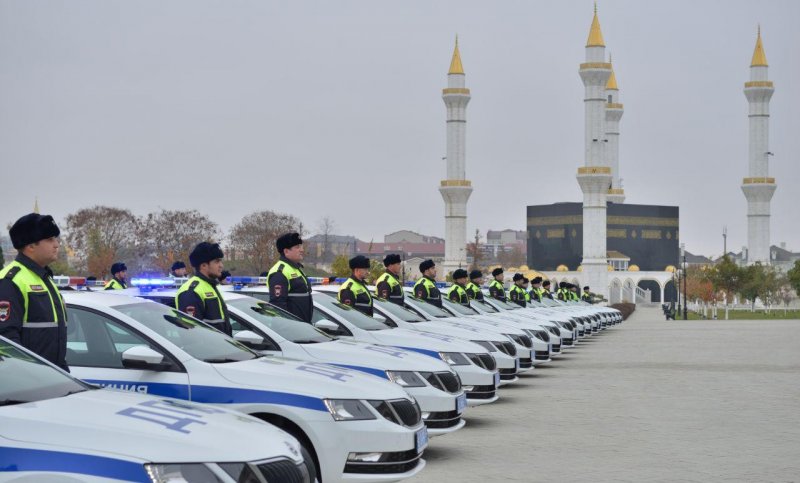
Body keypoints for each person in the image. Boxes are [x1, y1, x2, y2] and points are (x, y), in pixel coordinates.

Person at [0, 213, 69, 370]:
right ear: (30, 246)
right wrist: (30, 377)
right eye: (50, 239)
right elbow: (6, 340)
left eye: (56, 239)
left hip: (53, 377)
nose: (57, 244)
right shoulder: (10, 281)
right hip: (27, 383)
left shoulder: (45, 278)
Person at [175, 242, 232, 335]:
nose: (221, 265)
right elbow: (191, 333)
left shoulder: (210, 286)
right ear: (204, 266)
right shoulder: (192, 291)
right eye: (217, 261)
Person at [266, 232, 313, 323]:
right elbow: (278, 307)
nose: (302, 250)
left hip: (304, 328)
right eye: (297, 247)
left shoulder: (296, 268)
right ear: (286, 251)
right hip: (291, 331)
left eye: (301, 246)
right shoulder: (279, 272)